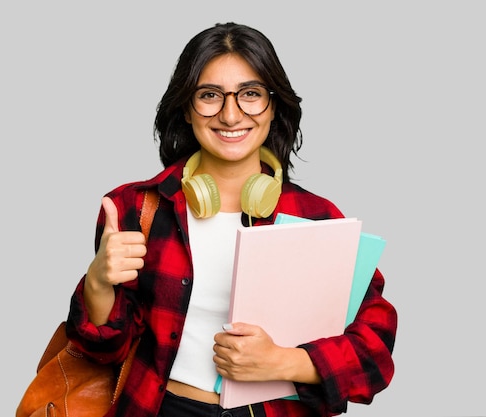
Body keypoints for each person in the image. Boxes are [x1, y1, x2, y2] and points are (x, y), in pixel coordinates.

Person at [66, 22, 397, 417]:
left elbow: (374, 349)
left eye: (251, 95)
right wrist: (99, 284)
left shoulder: (317, 219)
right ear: (186, 109)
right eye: (209, 95)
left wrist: (284, 362)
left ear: (274, 107)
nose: (230, 114)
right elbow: (103, 351)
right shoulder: (135, 208)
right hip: (160, 408)